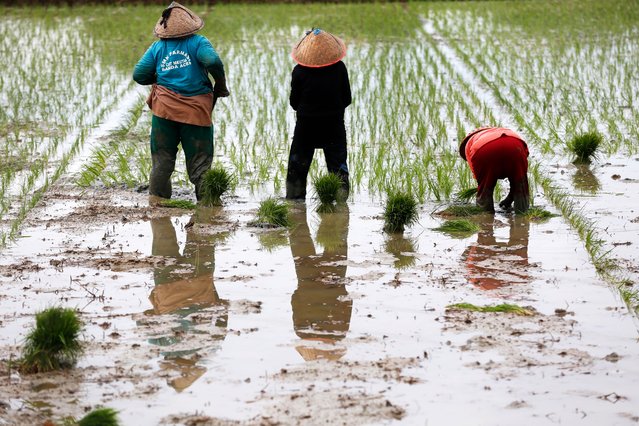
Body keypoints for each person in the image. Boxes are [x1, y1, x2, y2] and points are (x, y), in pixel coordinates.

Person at [133, 2, 229, 202]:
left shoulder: (158, 47)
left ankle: (158, 206)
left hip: (163, 113)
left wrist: (161, 78)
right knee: (200, 164)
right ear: (190, 24)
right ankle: (208, 208)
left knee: (162, 161)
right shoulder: (198, 43)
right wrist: (220, 83)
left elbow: (139, 74)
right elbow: (212, 61)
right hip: (195, 113)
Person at [286, 28, 352, 200]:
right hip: (334, 124)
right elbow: (347, 98)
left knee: (298, 166)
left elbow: (294, 102)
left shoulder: (299, 72)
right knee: (338, 166)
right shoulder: (339, 69)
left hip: (306, 125)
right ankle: (340, 205)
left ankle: (295, 203)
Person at [289, 204, 352, 361]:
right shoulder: (303, 331)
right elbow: (295, 300)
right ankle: (338, 204)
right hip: (314, 280)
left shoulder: (337, 333)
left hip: (321, 281)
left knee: (299, 231)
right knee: (300, 233)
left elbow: (347, 303)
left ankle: (297, 204)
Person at [459, 127, 530, 212]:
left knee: (485, 186)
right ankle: (523, 216)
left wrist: (483, 187)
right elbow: (518, 174)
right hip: (515, 144)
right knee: (520, 182)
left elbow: (480, 180)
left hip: (484, 148)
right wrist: (510, 198)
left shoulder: (468, 145)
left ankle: (485, 216)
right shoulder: (498, 130)